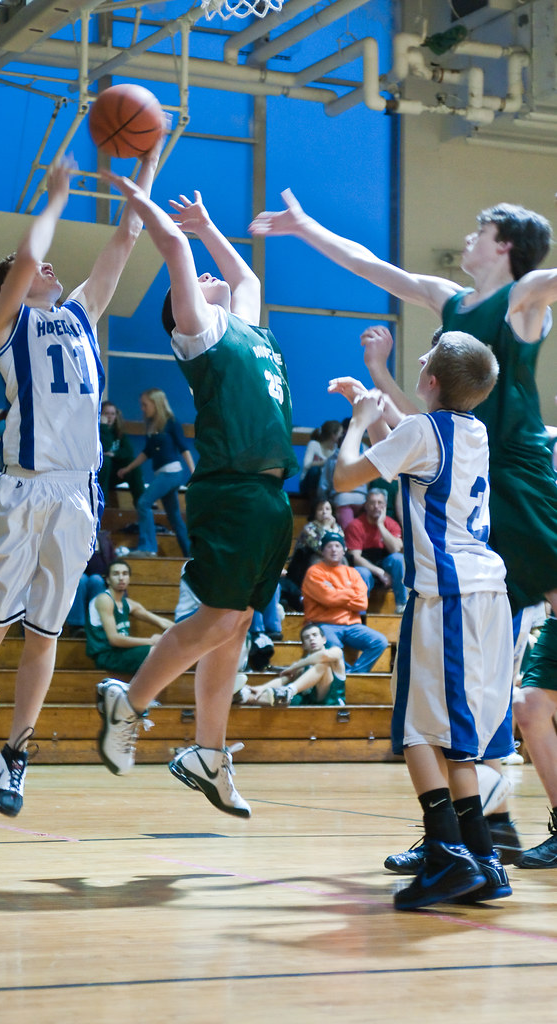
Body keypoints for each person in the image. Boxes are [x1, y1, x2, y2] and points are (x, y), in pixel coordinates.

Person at [251, 193, 557, 862]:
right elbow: (368, 266)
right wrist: (304, 227)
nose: (468, 235)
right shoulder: (450, 301)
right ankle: (472, 827)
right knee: (480, 683)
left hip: (521, 482)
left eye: (479, 227)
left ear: (503, 243)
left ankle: (472, 825)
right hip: (468, 490)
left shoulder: (525, 296)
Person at [0, 142, 162, 818]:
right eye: (36, 267)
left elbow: (127, 235)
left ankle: (16, 756)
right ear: (17, 282)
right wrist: (57, 197)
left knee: (44, 635)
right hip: (24, 488)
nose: (52, 267)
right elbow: (27, 259)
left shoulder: (81, 316)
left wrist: (146, 164)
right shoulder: (7, 324)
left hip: (78, 492)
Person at [95, 181, 297, 818]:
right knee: (217, 620)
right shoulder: (201, 336)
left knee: (235, 626)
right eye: (199, 282)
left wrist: (211, 225)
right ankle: (128, 702)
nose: (213, 277)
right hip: (231, 493)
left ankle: (208, 756)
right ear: (184, 313)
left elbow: (246, 279)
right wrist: (141, 193)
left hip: (269, 496)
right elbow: (174, 248)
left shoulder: (250, 331)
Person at [332, 329, 513, 910]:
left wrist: (359, 422)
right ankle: (481, 856)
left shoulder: (422, 431)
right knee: (449, 735)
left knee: (417, 730)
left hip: (448, 595)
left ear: (431, 380)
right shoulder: (471, 431)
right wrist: (381, 412)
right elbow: (412, 457)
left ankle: (448, 854)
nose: (418, 359)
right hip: (482, 592)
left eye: (426, 358)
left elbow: (344, 479)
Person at [119, 388, 194, 557]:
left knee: (144, 503)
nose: (143, 408)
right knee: (174, 517)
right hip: (162, 474)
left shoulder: (171, 422)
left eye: (145, 405)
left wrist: (194, 471)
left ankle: (148, 547)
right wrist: (128, 468)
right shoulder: (152, 425)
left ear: (156, 403)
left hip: (172, 473)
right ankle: (190, 555)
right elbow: (147, 452)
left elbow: (184, 448)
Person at [302, 532, 388, 675]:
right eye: (329, 546)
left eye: (337, 546)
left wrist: (335, 591)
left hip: (352, 625)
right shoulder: (314, 572)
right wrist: (349, 593)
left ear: (344, 550)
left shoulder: (353, 573)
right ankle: (344, 677)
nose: (334, 549)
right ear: (323, 551)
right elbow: (327, 598)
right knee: (333, 647)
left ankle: (355, 675)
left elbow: (362, 603)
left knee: (380, 641)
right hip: (324, 624)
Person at [86, 558, 173, 674]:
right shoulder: (104, 600)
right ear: (108, 579)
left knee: (169, 651)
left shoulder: (128, 603)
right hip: (107, 655)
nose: (121, 578)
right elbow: (114, 639)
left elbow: (162, 622)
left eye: (125, 574)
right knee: (155, 651)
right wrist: (151, 641)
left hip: (122, 653)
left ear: (129, 579)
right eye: (116, 574)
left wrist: (185, 632)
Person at [247, 621, 346, 707]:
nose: (311, 639)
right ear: (303, 646)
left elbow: (323, 656)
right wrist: (263, 687)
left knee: (323, 665)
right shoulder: (302, 665)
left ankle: (289, 691)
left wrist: (295, 666)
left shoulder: (336, 652)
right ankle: (243, 696)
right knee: (276, 698)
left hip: (332, 704)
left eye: (315, 635)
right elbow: (284, 679)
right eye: (307, 637)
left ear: (324, 639)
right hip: (310, 703)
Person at [344, 487, 407, 613]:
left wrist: (380, 525)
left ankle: (402, 606)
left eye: (380, 503)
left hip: (386, 563)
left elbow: (396, 548)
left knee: (399, 559)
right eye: (372, 503)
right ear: (366, 505)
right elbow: (356, 558)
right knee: (361, 573)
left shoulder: (391, 524)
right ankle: (360, 614)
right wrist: (380, 572)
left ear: (385, 506)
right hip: (366, 566)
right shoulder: (355, 525)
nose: (376, 506)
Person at [281, 498, 342, 611]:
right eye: (320, 509)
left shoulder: (337, 528)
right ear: (314, 512)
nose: (324, 512)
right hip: (304, 567)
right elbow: (320, 549)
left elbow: (343, 549)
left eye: (327, 509)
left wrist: (332, 529)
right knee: (317, 559)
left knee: (343, 561)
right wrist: (326, 528)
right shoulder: (309, 528)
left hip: (330, 565)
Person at [98, 400, 145, 507]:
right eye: (106, 413)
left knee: (131, 463)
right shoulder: (96, 431)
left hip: (115, 473)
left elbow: (128, 451)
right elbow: (106, 446)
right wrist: (103, 427)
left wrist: (114, 454)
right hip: (100, 474)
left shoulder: (118, 431)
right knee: (106, 461)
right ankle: (102, 501)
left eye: (112, 414)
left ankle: (141, 502)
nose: (109, 417)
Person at [299, 419, 342, 505]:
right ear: (333, 435)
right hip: (309, 485)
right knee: (315, 470)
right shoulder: (314, 444)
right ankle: (314, 502)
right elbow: (307, 464)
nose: (342, 435)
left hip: (325, 486)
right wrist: (325, 462)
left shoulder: (336, 449)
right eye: (340, 433)